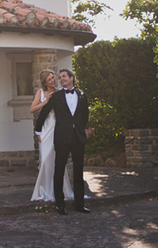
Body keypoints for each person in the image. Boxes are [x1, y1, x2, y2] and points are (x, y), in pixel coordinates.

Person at [35, 68, 92, 215]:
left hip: (78, 137)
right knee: (59, 170)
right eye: (59, 77)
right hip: (61, 137)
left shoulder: (82, 95)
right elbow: (44, 112)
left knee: (78, 171)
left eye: (64, 76)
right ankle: (60, 204)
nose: (61, 79)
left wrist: (82, 129)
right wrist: (38, 130)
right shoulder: (57, 96)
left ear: (71, 78)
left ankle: (80, 204)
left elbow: (85, 115)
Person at [30, 69, 73, 203]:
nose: (53, 81)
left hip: (58, 127)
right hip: (45, 128)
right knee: (44, 160)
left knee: (58, 159)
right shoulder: (40, 93)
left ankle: (60, 191)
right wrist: (46, 102)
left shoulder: (60, 92)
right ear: (45, 82)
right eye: (50, 79)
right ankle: (43, 191)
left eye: (53, 78)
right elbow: (32, 109)